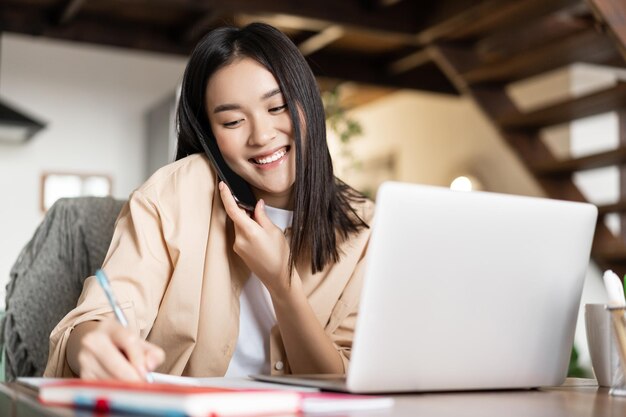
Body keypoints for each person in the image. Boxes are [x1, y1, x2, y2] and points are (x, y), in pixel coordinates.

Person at [44, 22, 373, 381]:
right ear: (210, 134)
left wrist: (281, 282)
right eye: (232, 121)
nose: (262, 136)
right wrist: (90, 340)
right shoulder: (173, 195)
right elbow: (104, 312)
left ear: (308, 102)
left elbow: (346, 381)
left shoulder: (366, 228)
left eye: (276, 107)